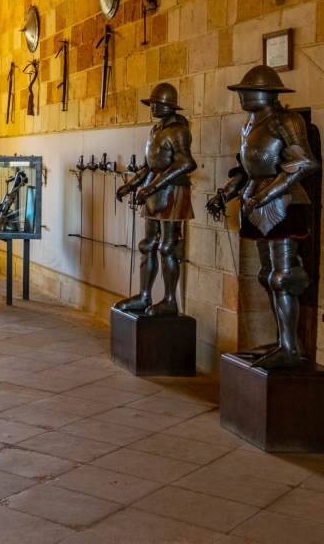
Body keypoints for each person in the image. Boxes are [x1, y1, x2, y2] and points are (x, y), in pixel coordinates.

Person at [207, 66, 318, 368]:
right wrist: (226, 193)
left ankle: (292, 347)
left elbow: (306, 163)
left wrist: (266, 194)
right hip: (256, 201)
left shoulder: (287, 121)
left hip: (284, 203)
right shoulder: (250, 125)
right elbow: (247, 169)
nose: (242, 95)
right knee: (266, 276)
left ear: (266, 93)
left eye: (246, 90)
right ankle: (282, 342)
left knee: (283, 277)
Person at [114, 83, 196, 316]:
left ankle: (170, 300)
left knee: (168, 247)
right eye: (152, 104)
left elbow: (186, 163)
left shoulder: (179, 130)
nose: (153, 107)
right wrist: (131, 184)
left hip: (173, 192)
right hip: (155, 191)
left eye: (158, 104)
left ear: (170, 106)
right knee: (147, 245)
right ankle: (144, 296)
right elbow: (151, 166)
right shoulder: (156, 129)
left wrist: (152, 187)